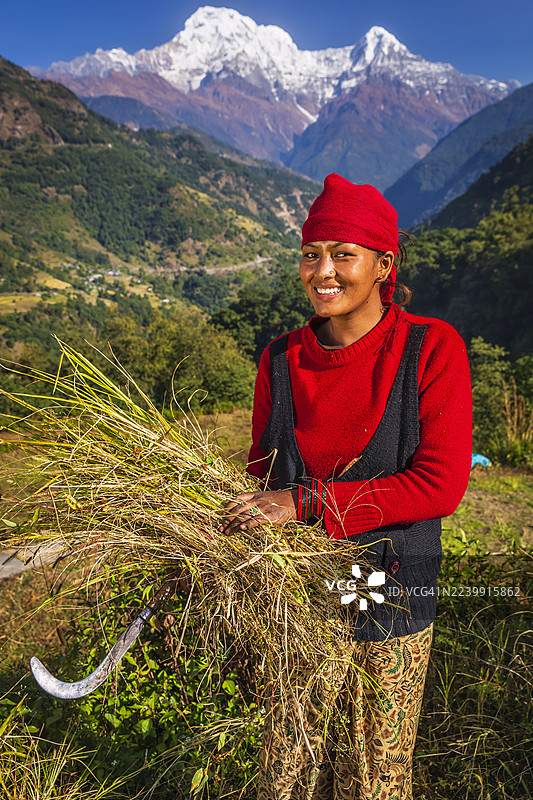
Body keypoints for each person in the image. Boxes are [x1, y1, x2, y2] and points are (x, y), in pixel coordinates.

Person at [222, 173, 472, 799]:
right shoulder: (282, 360)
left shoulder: (430, 349)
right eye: (311, 254)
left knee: (373, 776)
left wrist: (304, 503)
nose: (322, 272)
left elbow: (438, 486)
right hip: (296, 601)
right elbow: (262, 474)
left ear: (385, 264)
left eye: (344, 255)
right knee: (285, 772)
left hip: (391, 598)